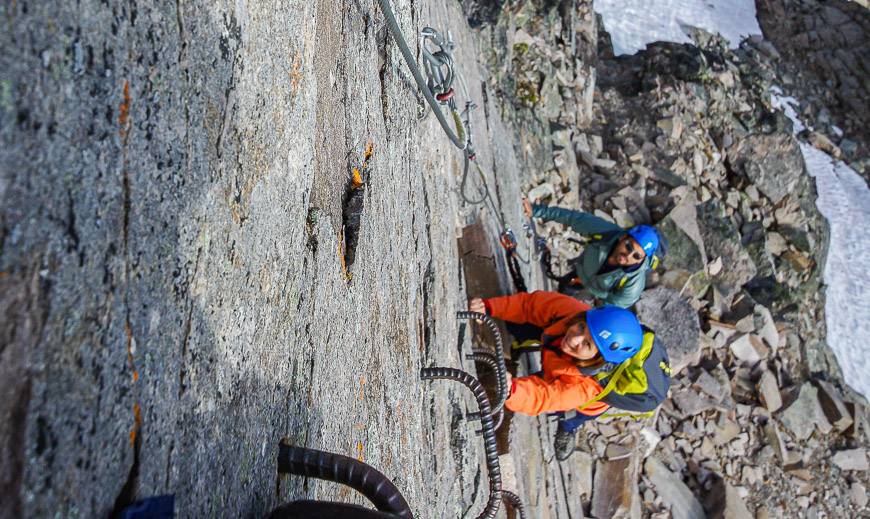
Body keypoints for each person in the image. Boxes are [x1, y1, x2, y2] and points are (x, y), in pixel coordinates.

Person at [469, 290, 644, 460]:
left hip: (584, 403)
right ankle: (519, 342)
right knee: (527, 325)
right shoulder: (573, 313)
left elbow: (544, 396)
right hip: (558, 358)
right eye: (581, 327)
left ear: (598, 360)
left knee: (569, 415)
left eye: (587, 344)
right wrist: (490, 307)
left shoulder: (583, 389)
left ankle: (567, 429)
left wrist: (513, 390)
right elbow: (531, 304)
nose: (575, 338)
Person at [522, 198, 661, 308]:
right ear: (623, 237)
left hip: (597, 296)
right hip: (581, 273)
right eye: (629, 247)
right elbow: (572, 218)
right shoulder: (606, 232)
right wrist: (535, 210)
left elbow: (613, 308)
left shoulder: (634, 283)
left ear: (641, 260)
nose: (628, 255)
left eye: (636, 256)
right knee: (563, 289)